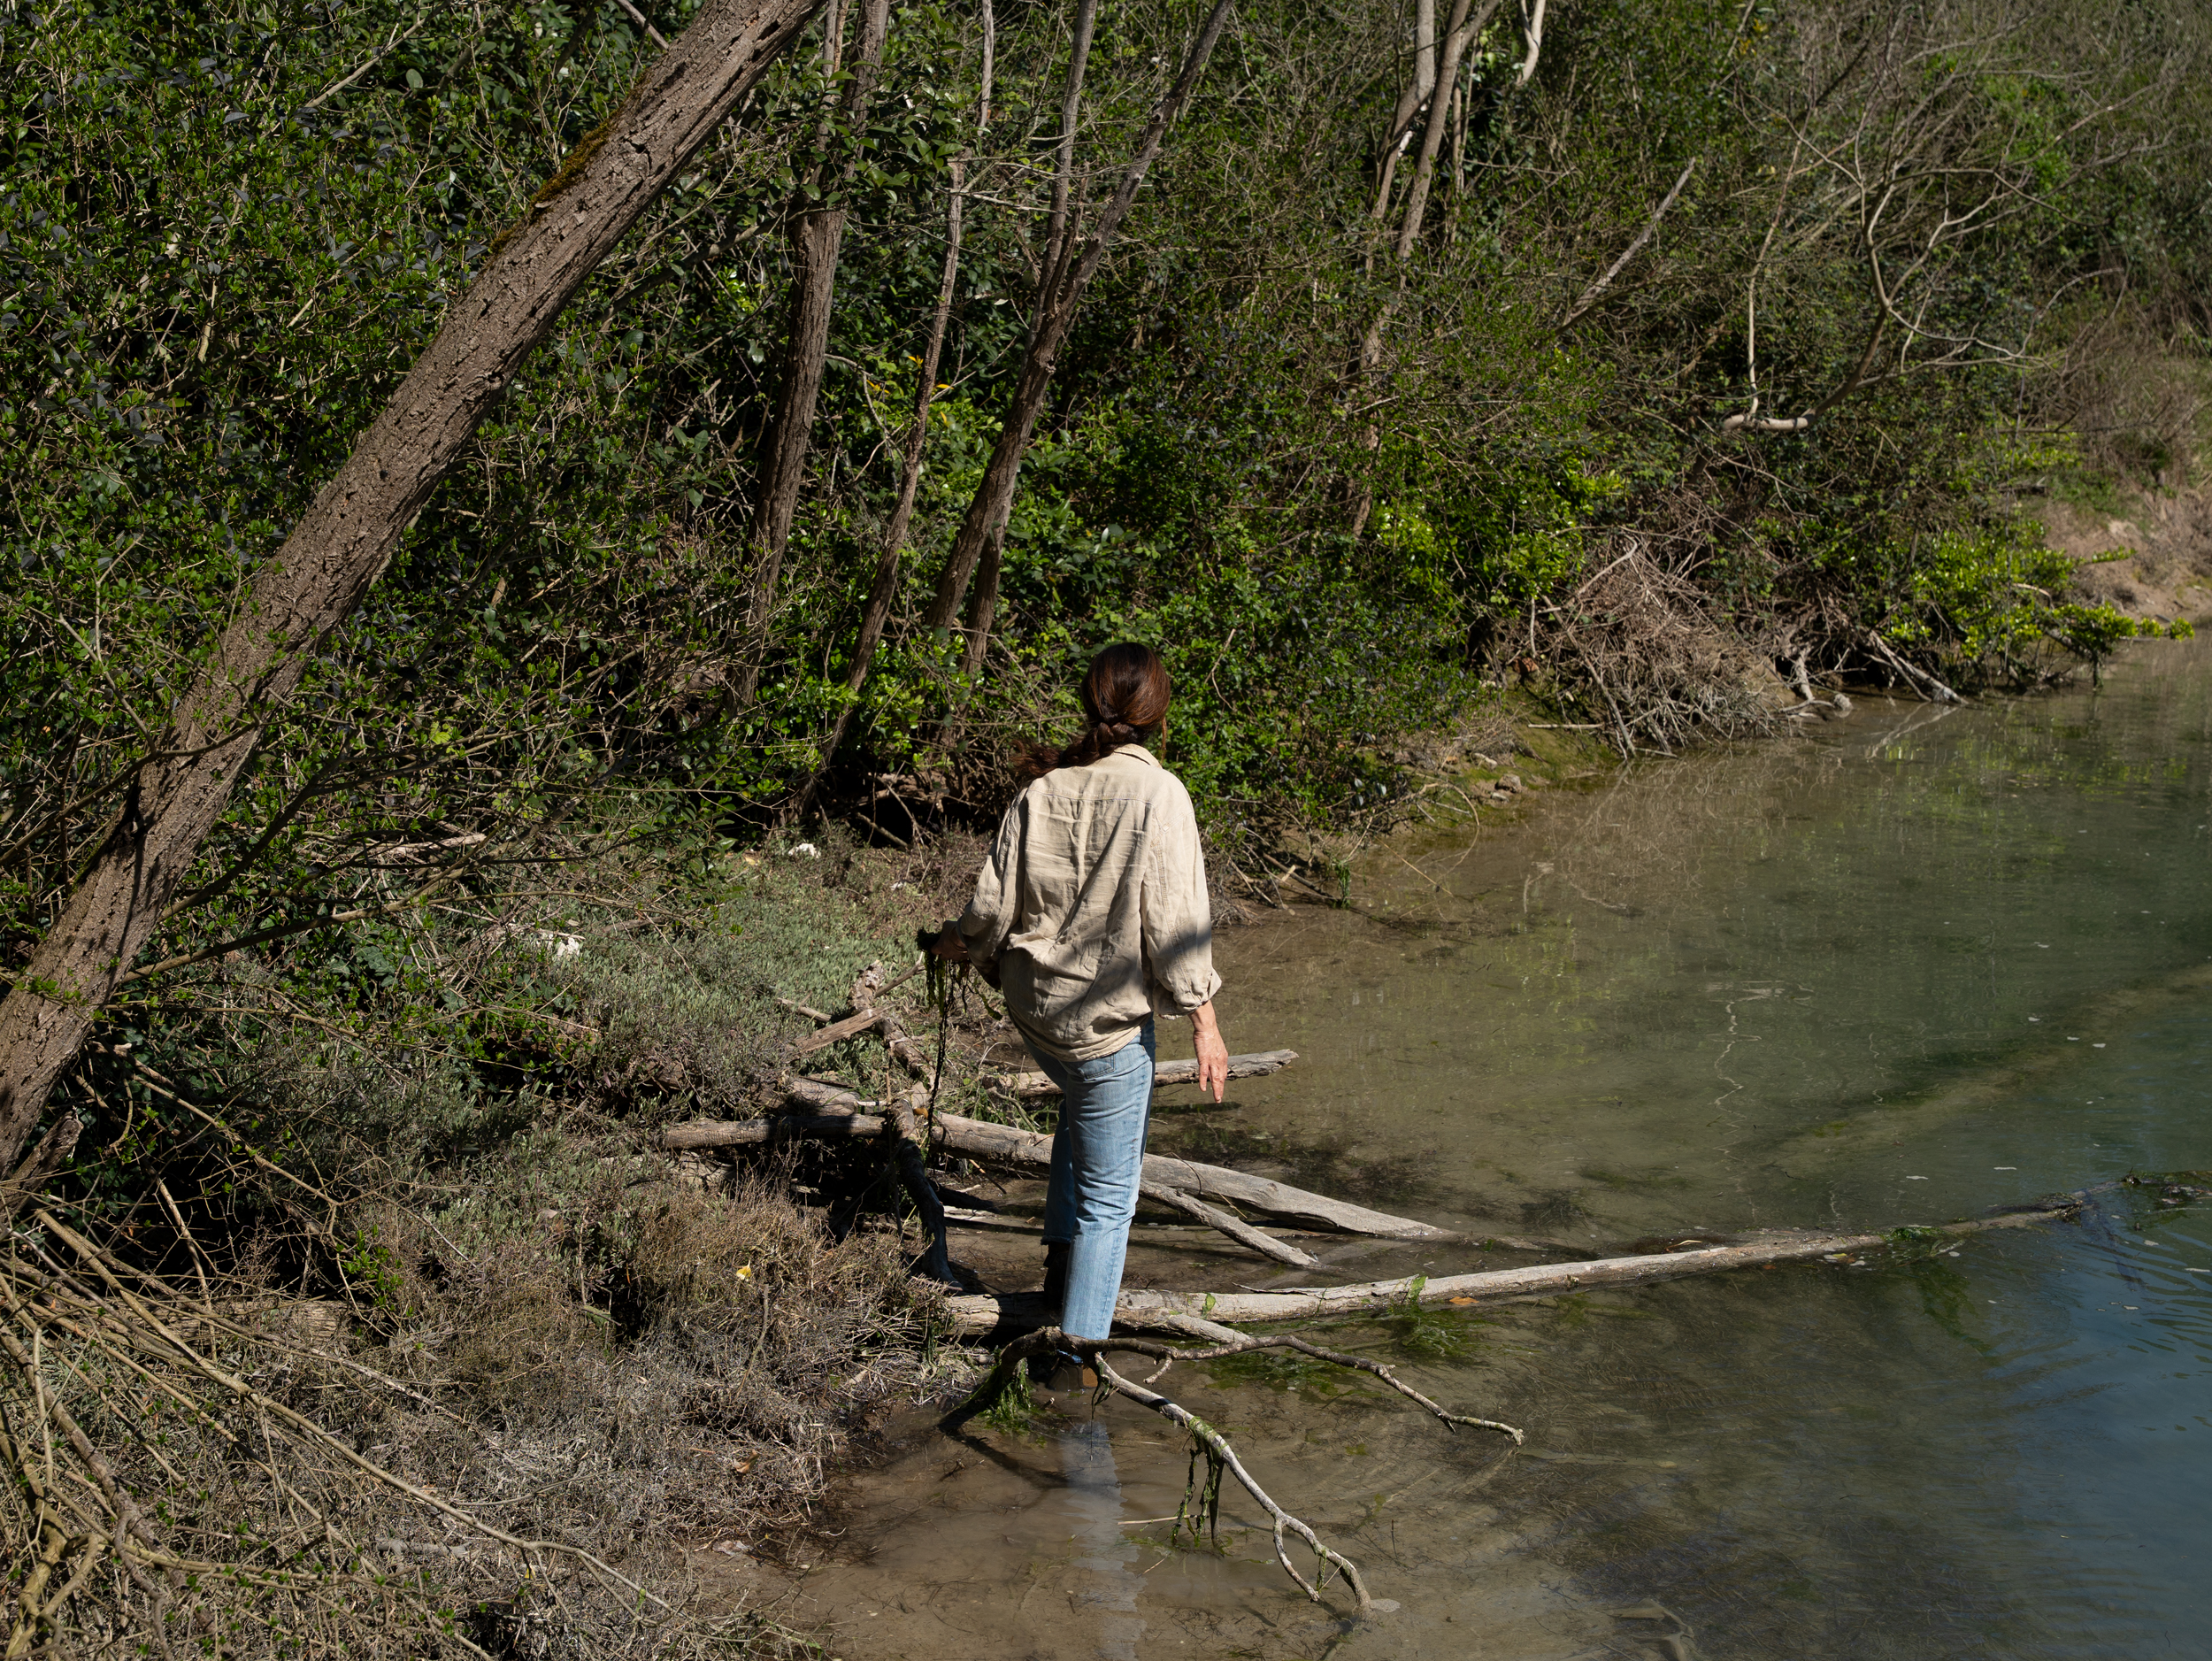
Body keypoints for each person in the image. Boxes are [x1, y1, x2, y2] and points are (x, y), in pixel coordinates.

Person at [928, 642, 1229, 1348]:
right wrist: (1204, 1022)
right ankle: (1079, 1359)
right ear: (1157, 714)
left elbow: (988, 914)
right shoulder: (1161, 794)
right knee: (1110, 1205)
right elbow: (1178, 926)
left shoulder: (1043, 791)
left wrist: (949, 943)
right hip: (1103, 1031)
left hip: (1036, 1013)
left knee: (1080, 1100)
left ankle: (1060, 1259)